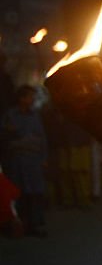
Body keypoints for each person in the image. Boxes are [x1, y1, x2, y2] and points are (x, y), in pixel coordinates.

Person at [1, 85, 49, 237]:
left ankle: (33, 225)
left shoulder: (34, 116)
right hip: (17, 162)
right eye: (30, 96)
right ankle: (17, 226)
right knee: (18, 194)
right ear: (21, 98)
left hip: (33, 161)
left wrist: (44, 157)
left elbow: (41, 138)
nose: (32, 99)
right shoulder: (11, 115)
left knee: (34, 194)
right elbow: (6, 137)